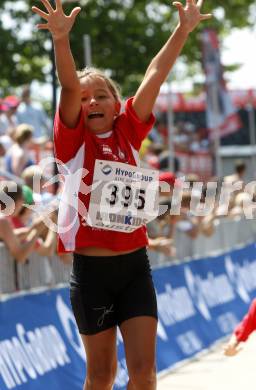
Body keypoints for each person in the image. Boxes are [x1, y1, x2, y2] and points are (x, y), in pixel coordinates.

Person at [32, 1, 211, 389]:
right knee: (102, 375)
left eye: (101, 96)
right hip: (92, 273)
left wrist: (182, 30)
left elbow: (155, 75)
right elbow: (67, 85)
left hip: (135, 268)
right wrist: (61, 40)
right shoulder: (72, 143)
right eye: (84, 98)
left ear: (117, 105)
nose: (91, 102)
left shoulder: (129, 131)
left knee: (145, 375)